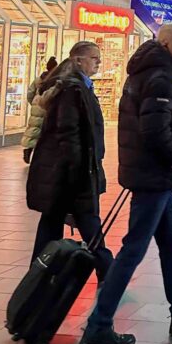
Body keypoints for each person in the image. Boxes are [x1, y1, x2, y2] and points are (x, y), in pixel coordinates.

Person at [80, 23, 172, 344]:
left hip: (154, 175)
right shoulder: (159, 75)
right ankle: (99, 326)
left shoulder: (148, 70)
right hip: (154, 175)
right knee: (133, 250)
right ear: (167, 43)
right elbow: (155, 130)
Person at [25, 42, 113, 286]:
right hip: (72, 171)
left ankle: (38, 272)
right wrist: (79, 172)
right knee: (86, 219)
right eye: (93, 58)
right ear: (77, 61)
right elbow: (69, 134)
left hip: (63, 171)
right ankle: (107, 268)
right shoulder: (72, 90)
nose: (98, 62)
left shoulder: (75, 86)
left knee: (52, 221)